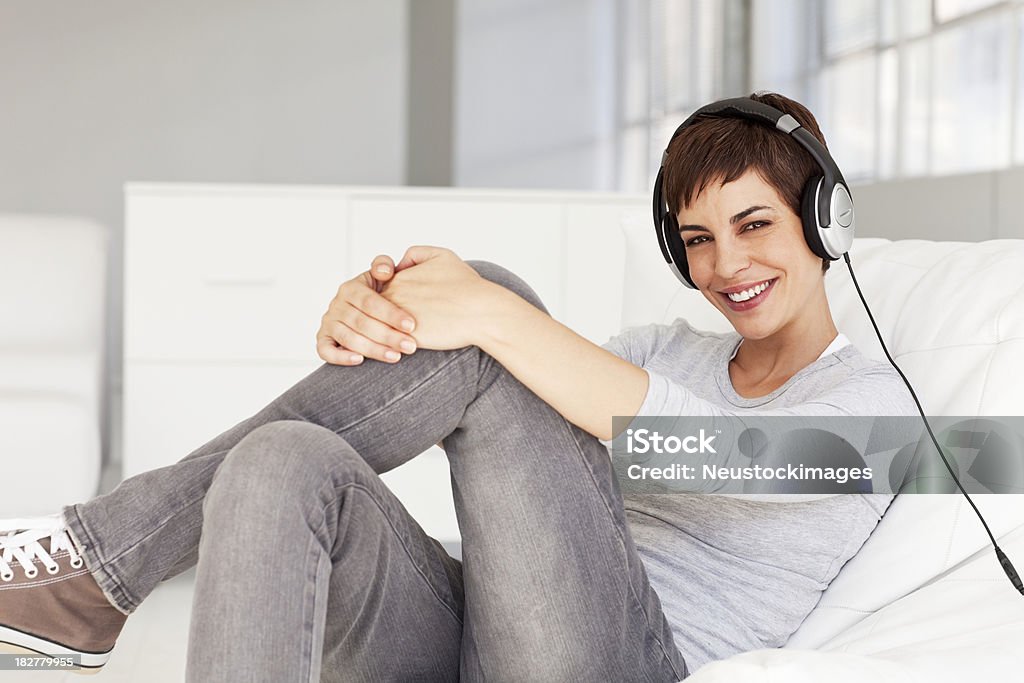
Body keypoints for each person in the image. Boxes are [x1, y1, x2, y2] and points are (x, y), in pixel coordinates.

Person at [0, 91, 917, 681]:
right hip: (488, 634)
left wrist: (483, 310)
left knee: (496, 308)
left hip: (624, 664)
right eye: (699, 239)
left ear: (824, 219)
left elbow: (713, 454)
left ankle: (103, 557)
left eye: (755, 224)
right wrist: (377, 323)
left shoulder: (886, 411)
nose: (728, 264)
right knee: (285, 460)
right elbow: (519, 456)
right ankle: (97, 577)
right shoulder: (655, 347)